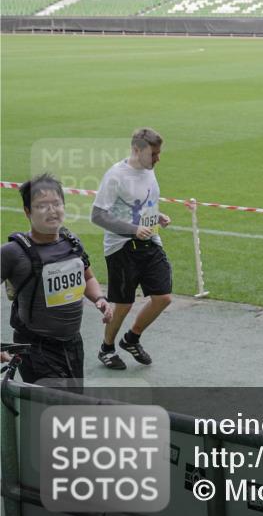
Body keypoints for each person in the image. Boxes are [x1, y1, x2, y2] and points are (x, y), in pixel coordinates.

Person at [1, 174, 113, 384]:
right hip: (35, 348)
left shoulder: (70, 241)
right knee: (52, 409)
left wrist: (99, 298)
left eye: (57, 203)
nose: (52, 210)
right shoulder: (12, 253)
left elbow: (87, 277)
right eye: (42, 205)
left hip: (72, 344)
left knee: (71, 404)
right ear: (27, 211)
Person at [90, 127, 172, 369]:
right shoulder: (116, 176)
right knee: (124, 304)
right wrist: (133, 229)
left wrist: (157, 217)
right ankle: (107, 348)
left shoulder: (149, 171)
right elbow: (97, 216)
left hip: (150, 242)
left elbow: (142, 205)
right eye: (154, 153)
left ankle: (132, 338)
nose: (158, 158)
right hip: (121, 247)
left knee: (163, 297)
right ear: (137, 150)